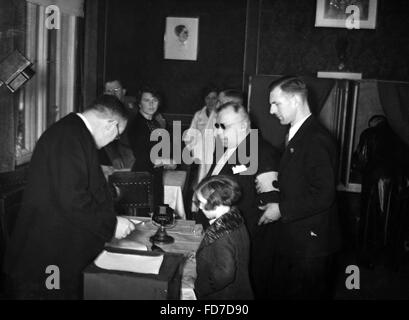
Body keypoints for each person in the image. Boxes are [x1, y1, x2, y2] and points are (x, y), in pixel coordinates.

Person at [3, 95, 136, 299]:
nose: (114, 140)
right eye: (118, 134)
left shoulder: (73, 133)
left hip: (57, 252)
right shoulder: (69, 136)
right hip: (49, 261)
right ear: (111, 125)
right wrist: (111, 224)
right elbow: (73, 199)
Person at [259, 76, 341, 299]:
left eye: (276, 103)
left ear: (295, 100)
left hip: (310, 245)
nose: (271, 110)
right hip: (297, 238)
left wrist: (281, 209)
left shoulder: (315, 138)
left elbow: (324, 195)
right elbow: (299, 179)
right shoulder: (297, 133)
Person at [194, 175, 254, 300]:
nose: (199, 207)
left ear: (217, 204)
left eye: (202, 203)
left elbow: (225, 274)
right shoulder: (236, 221)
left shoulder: (222, 235)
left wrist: (201, 288)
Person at [127, 87, 174, 212]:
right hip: (142, 176)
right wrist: (165, 161)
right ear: (139, 103)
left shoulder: (154, 122)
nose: (151, 104)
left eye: (154, 100)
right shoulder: (137, 124)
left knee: (155, 213)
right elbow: (142, 156)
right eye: (147, 100)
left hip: (154, 174)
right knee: (146, 215)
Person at [183, 85, 219, 184]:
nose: (211, 101)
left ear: (218, 99)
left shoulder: (220, 114)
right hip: (200, 154)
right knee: (199, 181)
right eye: (208, 98)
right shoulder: (198, 115)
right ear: (204, 99)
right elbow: (190, 135)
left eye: (214, 98)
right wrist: (192, 149)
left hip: (215, 154)